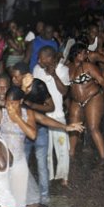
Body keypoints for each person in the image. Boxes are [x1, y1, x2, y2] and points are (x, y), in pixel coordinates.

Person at [9, 62, 54, 205]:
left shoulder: (39, 85)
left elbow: (51, 106)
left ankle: (44, 198)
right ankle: (22, 196)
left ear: (25, 76)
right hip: (24, 132)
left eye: (16, 77)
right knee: (22, 165)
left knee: (42, 165)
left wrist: (34, 106)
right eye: (13, 78)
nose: (14, 80)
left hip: (40, 130)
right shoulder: (16, 89)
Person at [68, 44, 104, 163]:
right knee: (73, 126)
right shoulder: (68, 67)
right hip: (77, 101)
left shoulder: (88, 66)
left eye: (85, 52)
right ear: (75, 54)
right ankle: (71, 153)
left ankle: (103, 157)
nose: (85, 55)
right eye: (82, 52)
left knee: (93, 127)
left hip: (93, 97)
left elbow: (101, 80)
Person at [34, 46, 71, 187]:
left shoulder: (63, 69)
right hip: (43, 116)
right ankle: (48, 177)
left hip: (58, 115)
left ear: (49, 58)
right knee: (45, 150)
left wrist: (54, 75)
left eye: (41, 58)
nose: (38, 60)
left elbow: (64, 91)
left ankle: (64, 177)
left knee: (62, 148)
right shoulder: (37, 70)